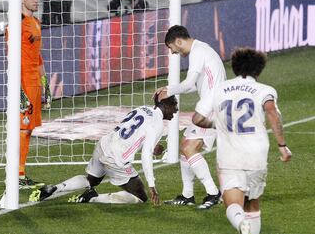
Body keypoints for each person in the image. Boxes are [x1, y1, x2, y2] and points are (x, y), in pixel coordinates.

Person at [192, 47, 292, 234]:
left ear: (235, 67)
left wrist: (217, 124)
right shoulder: (265, 90)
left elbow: (197, 119)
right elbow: (271, 112)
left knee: (233, 203)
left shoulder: (219, 88)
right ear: (259, 69)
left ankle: (240, 224)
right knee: (252, 203)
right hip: (256, 156)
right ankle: (248, 228)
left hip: (230, 157)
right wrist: (282, 146)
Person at [29, 95, 178, 205]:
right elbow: (145, 156)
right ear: (165, 105)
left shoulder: (142, 108)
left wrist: (153, 147)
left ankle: (55, 188)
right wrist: (152, 185)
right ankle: (93, 198)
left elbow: (135, 132)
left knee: (91, 180)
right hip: (117, 157)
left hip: (104, 143)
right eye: (174, 105)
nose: (176, 110)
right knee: (141, 197)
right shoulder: (158, 124)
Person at [155, 25, 226, 209]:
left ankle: (213, 193)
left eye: (172, 48)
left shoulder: (198, 51)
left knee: (189, 148)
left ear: (178, 41)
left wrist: (168, 90)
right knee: (185, 147)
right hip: (211, 104)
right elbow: (197, 85)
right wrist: (169, 90)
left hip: (212, 107)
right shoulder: (202, 50)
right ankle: (188, 195)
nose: (173, 52)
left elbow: (188, 84)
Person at [6, 0, 52, 189]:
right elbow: (11, 58)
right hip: (23, 82)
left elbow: (38, 56)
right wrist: (18, 90)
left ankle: (20, 172)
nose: (36, 0)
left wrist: (45, 85)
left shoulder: (36, 22)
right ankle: (16, 173)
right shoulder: (16, 24)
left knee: (28, 129)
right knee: (22, 129)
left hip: (35, 82)